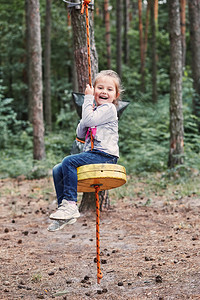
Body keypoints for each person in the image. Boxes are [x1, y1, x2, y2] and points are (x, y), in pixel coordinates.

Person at [48, 70, 123, 231]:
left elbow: (89, 120)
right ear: (94, 90)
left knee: (69, 161)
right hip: (92, 154)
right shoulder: (94, 111)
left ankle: (70, 204)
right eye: (100, 88)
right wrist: (89, 109)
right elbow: (80, 132)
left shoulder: (109, 109)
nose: (104, 92)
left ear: (116, 95)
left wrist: (88, 99)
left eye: (109, 89)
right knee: (57, 170)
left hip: (105, 155)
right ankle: (65, 210)